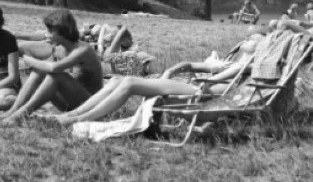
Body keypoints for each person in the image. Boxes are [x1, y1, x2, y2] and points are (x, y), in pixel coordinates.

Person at [53, 28, 269, 127]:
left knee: (128, 82)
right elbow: (194, 65)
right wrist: (171, 71)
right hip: (196, 85)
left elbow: (225, 78)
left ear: (264, 45)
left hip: (204, 92)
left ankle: (78, 120)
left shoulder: (252, 64)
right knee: (119, 80)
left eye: (253, 37)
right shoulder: (236, 61)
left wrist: (213, 73)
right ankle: (75, 114)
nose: (247, 38)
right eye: (246, 36)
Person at [0, 9, 103, 125]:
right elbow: (44, 64)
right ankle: (14, 110)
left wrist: (31, 61)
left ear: (63, 31)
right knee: (39, 71)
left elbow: (54, 68)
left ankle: (21, 114)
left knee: (55, 76)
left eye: (50, 31)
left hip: (90, 104)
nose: (47, 34)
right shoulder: (60, 48)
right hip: (71, 102)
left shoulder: (83, 49)